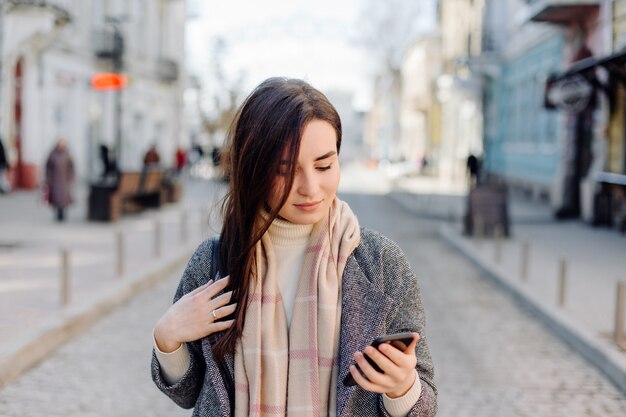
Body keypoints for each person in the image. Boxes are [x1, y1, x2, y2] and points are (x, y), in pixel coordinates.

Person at [151, 78, 437, 416]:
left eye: (324, 165)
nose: (311, 187)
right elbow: (187, 393)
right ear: (253, 169)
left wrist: (402, 386)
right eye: (286, 171)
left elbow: (424, 401)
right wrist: (167, 337)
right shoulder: (215, 262)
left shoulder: (380, 264)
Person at [45, 138, 75, 221]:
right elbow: (48, 167)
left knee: (64, 198)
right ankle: (57, 213)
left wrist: (71, 177)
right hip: (55, 179)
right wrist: (48, 177)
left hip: (65, 180)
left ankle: (63, 213)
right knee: (56, 197)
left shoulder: (67, 154)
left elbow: (72, 167)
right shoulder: (53, 154)